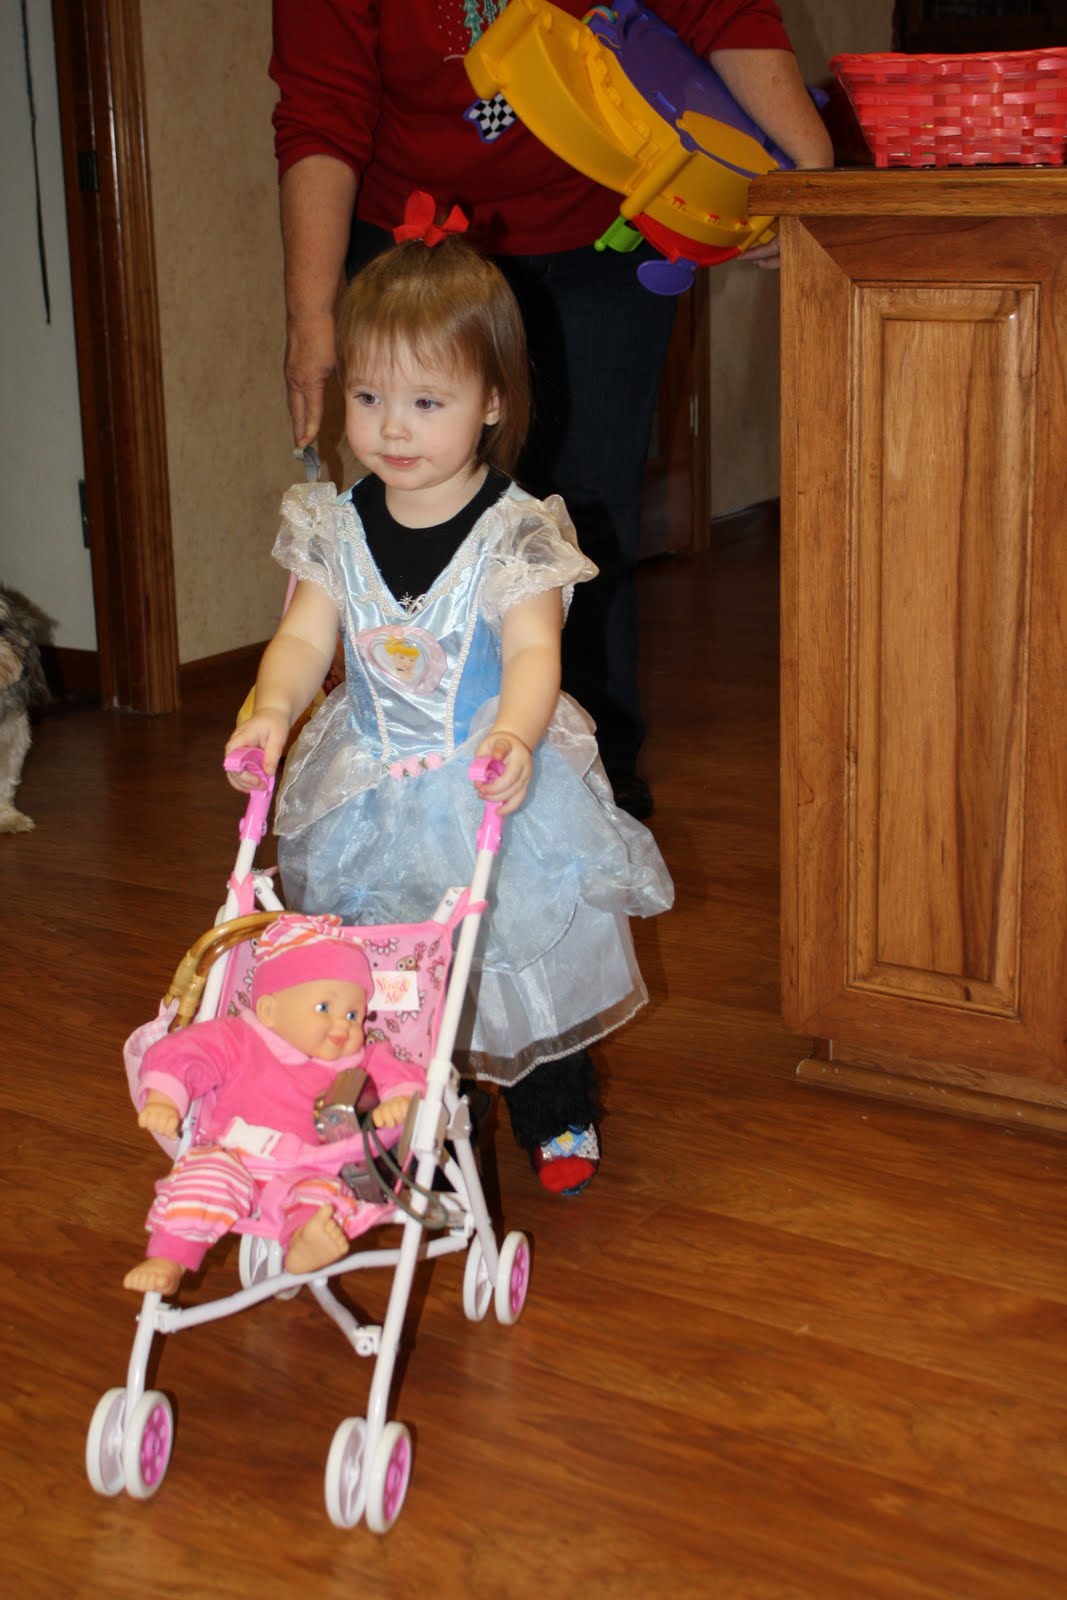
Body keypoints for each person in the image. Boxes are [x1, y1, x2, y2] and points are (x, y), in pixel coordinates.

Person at [268, 0, 834, 818]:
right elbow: (321, 107)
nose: (386, 420)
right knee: (421, 498)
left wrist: (804, 177)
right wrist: (310, 315)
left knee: (589, 506)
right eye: (369, 400)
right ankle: (417, 760)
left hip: (602, 227)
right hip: (414, 243)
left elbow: (720, 11)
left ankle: (584, 768)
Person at [225, 217, 674, 1195]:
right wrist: (270, 707)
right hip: (369, 784)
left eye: (427, 402)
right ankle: (408, 1126)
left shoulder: (517, 533)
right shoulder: (335, 526)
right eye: (368, 397)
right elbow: (304, 639)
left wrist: (515, 732)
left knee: (513, 954)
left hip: (486, 777)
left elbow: (534, 650)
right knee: (384, 973)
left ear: (491, 402)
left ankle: (555, 1108)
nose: (393, 428)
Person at [124, 913, 424, 1295]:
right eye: (324, 1009)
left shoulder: (362, 1061)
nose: (343, 1025)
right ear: (269, 1011)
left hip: (314, 1166)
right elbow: (185, 1053)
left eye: (354, 1015)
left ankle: (303, 1242)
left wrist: (399, 1101)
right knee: (201, 1181)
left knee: (325, 1198)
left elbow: (401, 1075)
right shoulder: (239, 1038)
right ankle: (169, 1258)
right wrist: (165, 1098)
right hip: (233, 1154)